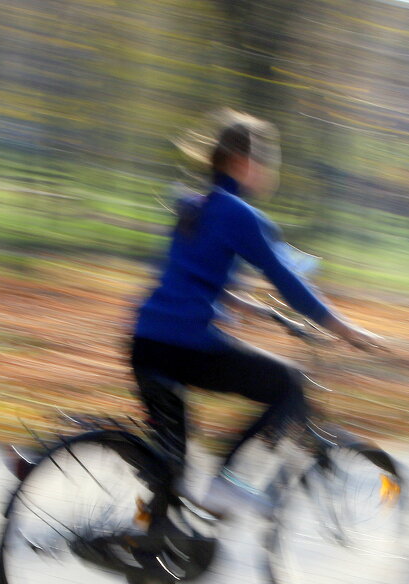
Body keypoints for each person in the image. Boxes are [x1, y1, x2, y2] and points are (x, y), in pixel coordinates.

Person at [130, 111, 379, 517]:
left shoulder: (194, 207)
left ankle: (146, 552)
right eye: (266, 159)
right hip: (186, 347)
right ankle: (226, 482)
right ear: (242, 162)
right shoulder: (237, 213)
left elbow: (196, 281)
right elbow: (288, 281)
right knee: (289, 385)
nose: (268, 169)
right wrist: (344, 328)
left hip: (146, 344)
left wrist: (260, 310)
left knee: (172, 472)